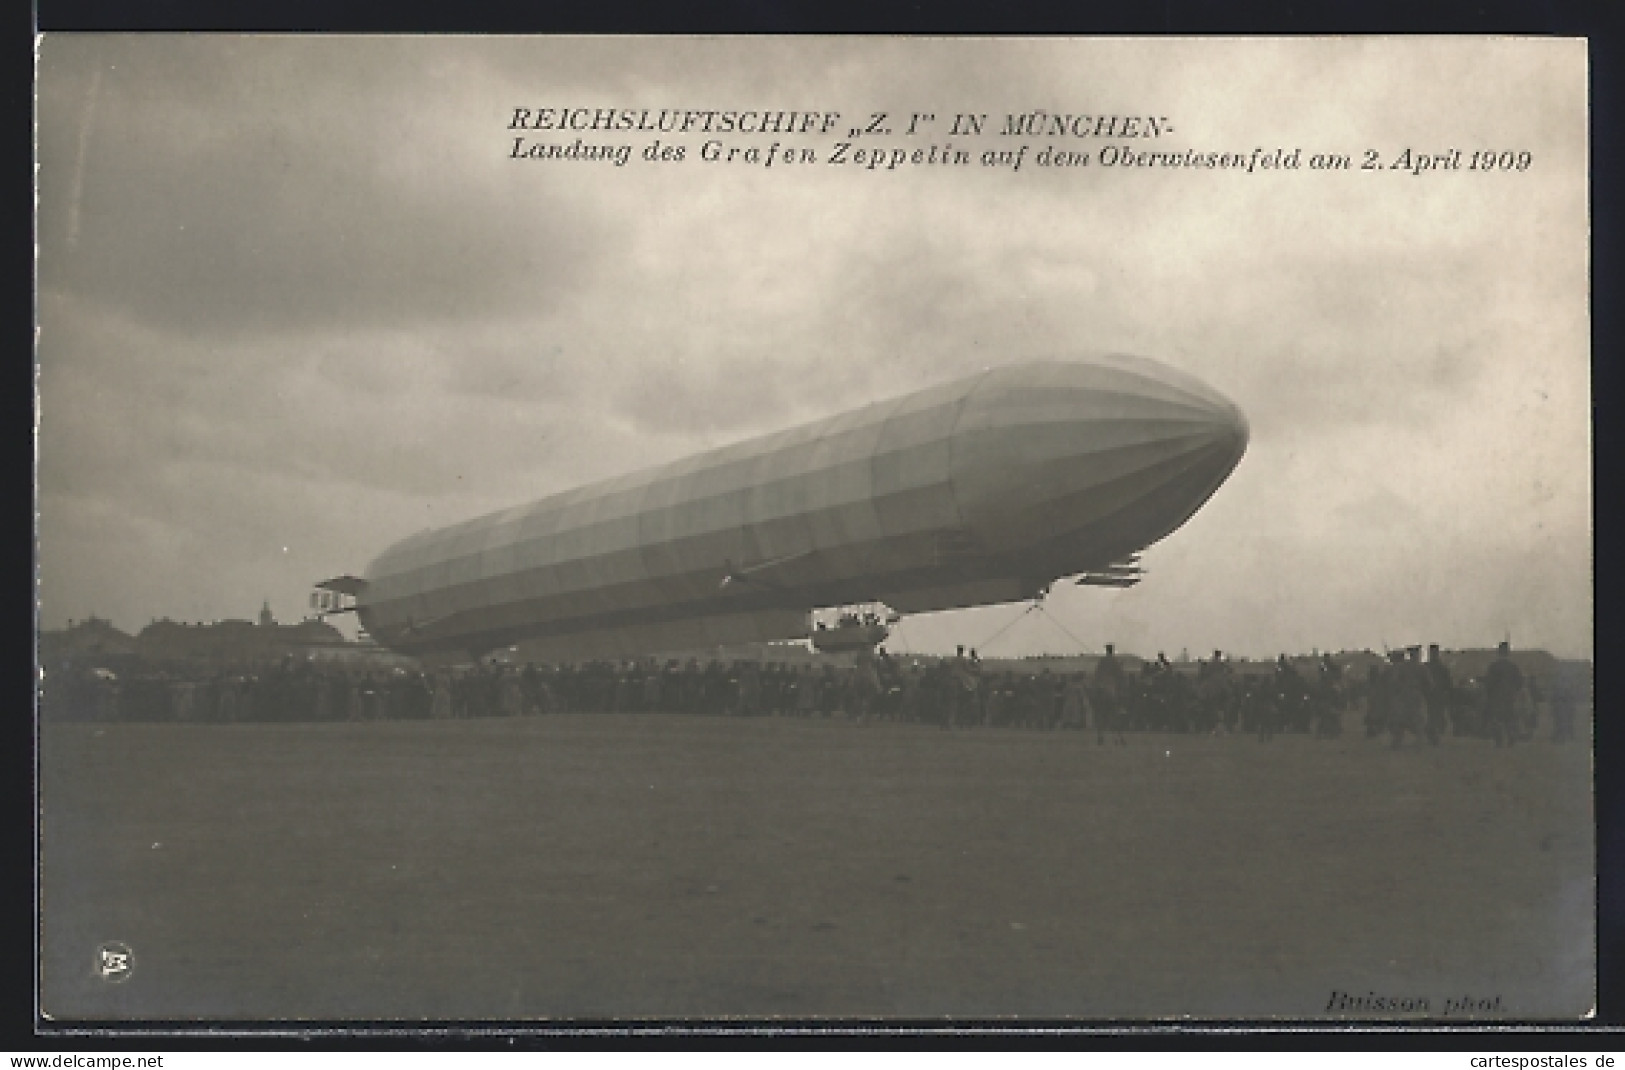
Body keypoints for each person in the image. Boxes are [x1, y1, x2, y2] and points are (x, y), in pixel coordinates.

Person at [1484, 641, 1525, 748]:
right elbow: (1520, 682)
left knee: (1497, 719)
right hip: (1510, 696)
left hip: (1497, 697)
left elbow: (1489, 683)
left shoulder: (1494, 666)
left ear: (1499, 652)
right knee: (1509, 718)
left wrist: (1489, 694)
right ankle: (1511, 738)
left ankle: (1499, 740)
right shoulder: (1513, 667)